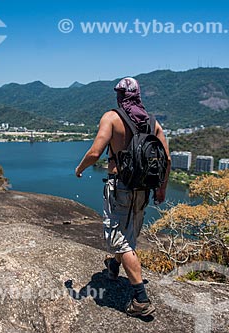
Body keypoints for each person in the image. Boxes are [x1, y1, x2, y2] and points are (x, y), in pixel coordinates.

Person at [75, 77, 171, 317]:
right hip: (143, 188)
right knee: (128, 233)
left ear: (119, 96)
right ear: (138, 95)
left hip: (120, 187)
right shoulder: (152, 122)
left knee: (121, 240)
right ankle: (114, 265)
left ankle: (141, 299)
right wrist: (162, 189)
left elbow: (96, 152)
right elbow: (167, 159)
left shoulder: (111, 117)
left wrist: (80, 168)